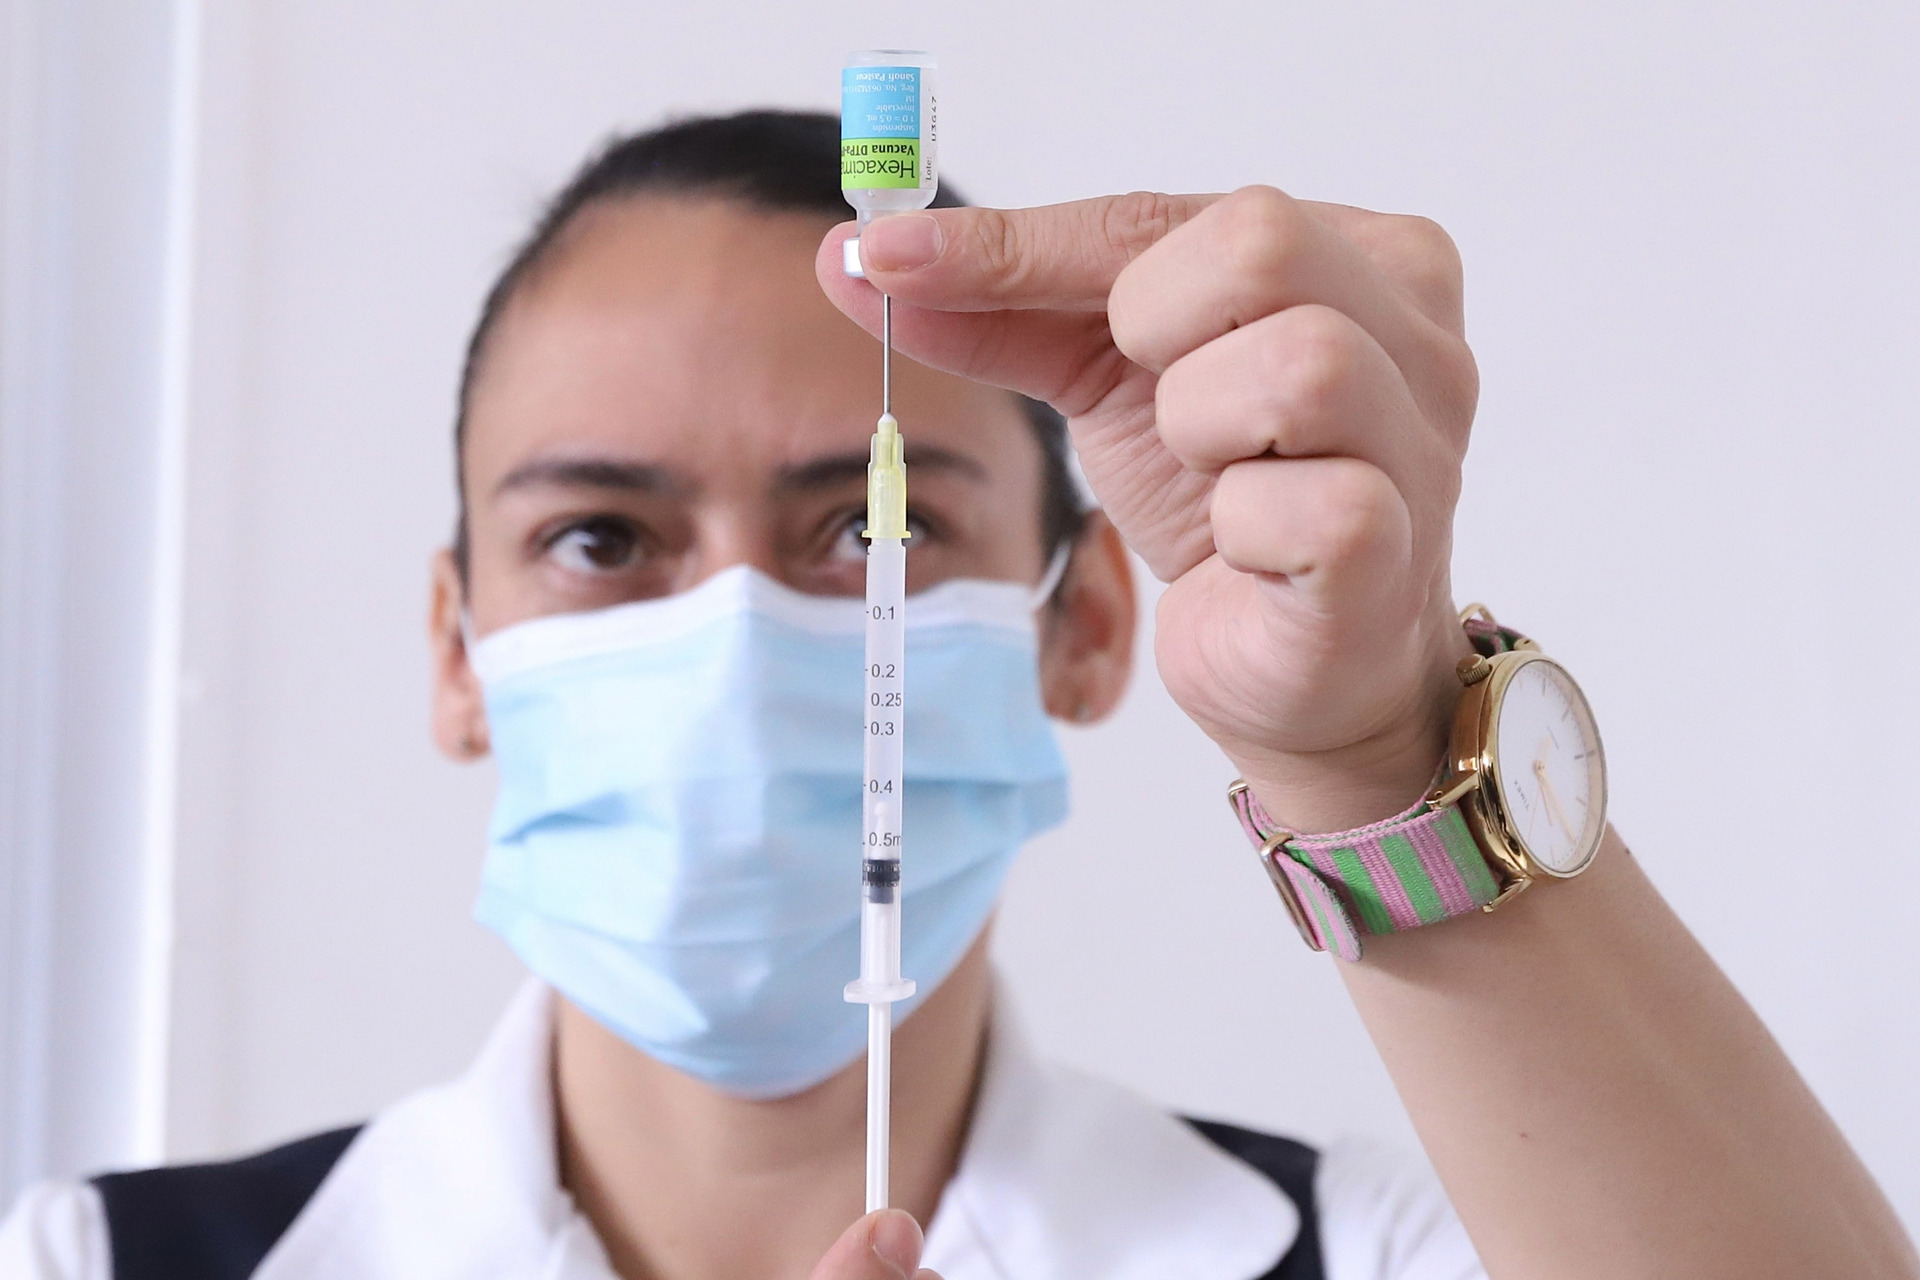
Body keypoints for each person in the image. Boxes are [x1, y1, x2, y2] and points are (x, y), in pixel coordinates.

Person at [1, 110, 1913, 1280]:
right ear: (456, 649)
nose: (737, 634)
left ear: (1086, 624)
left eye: (873, 529)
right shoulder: (98, 1262)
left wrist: (1371, 740)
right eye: (601, 538)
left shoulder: (1378, 1253)